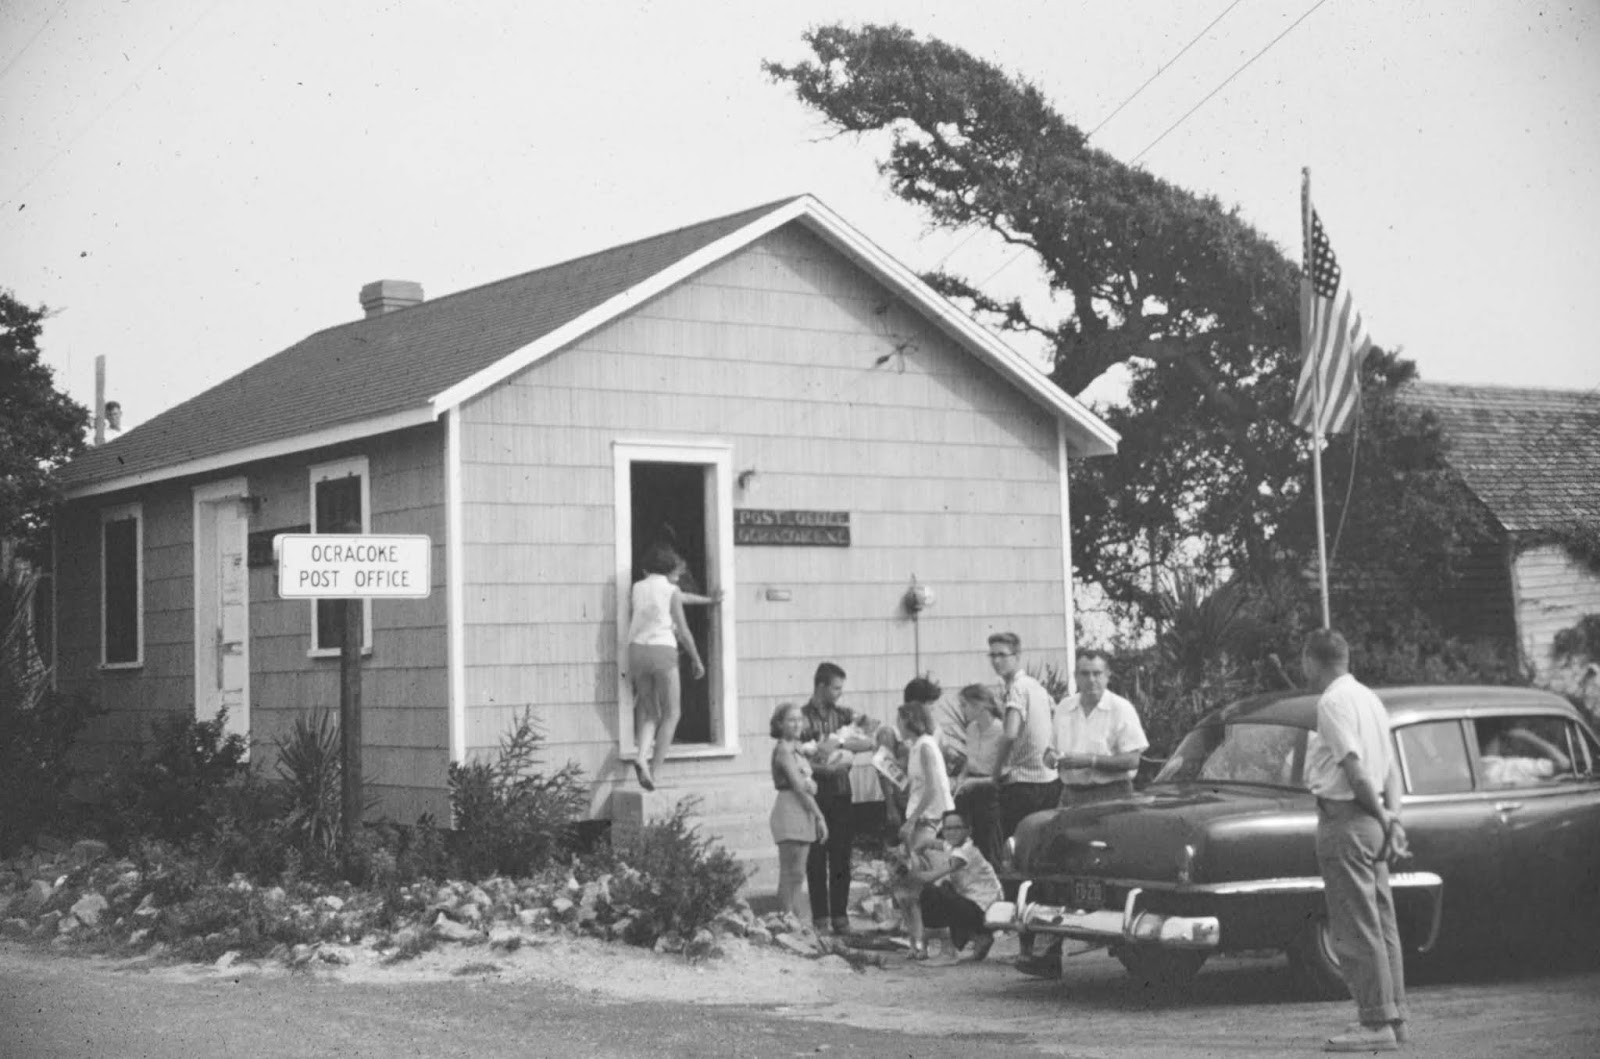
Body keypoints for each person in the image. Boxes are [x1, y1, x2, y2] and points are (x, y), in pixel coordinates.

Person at [1302, 629, 1411, 1053]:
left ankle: (1375, 1022)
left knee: (1355, 924)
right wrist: (1392, 820)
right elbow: (1391, 771)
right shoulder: (1370, 699)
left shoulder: (1332, 702)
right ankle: (1394, 1015)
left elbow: (1355, 768)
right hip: (1373, 820)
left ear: (1310, 660)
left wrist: (1384, 817)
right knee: (1382, 923)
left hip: (1347, 820)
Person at [1017, 649, 1149, 979]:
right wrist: (1050, 758)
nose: (1090, 680)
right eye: (1085, 673)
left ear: (1107, 676)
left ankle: (1130, 943)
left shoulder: (1120, 709)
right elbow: (1052, 749)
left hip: (1111, 796)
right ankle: (1047, 953)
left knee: (1111, 869)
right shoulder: (1064, 707)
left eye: (1097, 674)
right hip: (1071, 795)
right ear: (1076, 676)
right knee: (1053, 863)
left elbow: (1133, 760)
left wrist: (1089, 760)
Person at [626, 542, 717, 791]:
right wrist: (697, 659)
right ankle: (654, 773)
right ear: (669, 571)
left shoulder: (638, 586)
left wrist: (707, 600)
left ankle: (641, 758)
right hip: (662, 651)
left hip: (636, 651)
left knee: (650, 711)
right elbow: (684, 631)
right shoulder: (671, 590)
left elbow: (680, 597)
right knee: (672, 713)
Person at [799, 662, 877, 935]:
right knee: (816, 856)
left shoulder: (845, 715)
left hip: (843, 793)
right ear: (821, 686)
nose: (840, 693)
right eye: (835, 688)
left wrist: (841, 743)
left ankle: (840, 917)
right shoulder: (801, 717)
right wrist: (823, 760)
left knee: (841, 855)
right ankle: (820, 918)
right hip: (816, 794)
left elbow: (870, 738)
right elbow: (799, 756)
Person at [897, 810, 1004, 961]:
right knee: (944, 889)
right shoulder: (956, 845)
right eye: (948, 828)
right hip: (974, 905)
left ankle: (952, 945)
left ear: (968, 830)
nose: (952, 833)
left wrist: (905, 873)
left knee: (930, 894)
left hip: (985, 910)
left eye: (957, 828)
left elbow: (929, 877)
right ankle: (977, 937)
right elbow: (934, 843)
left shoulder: (965, 852)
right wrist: (919, 848)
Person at [986, 633, 1060, 840]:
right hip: (1048, 781)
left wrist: (996, 773)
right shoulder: (1036, 686)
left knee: (1014, 845)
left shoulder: (1017, 689)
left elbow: (1009, 734)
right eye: (992, 656)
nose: (996, 661)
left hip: (1025, 785)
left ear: (1017, 655)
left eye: (1002, 655)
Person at [769, 702, 829, 934]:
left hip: (802, 810)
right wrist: (820, 816)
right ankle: (785, 920)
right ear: (779, 724)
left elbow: (807, 783)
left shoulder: (798, 749)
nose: (796, 724)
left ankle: (794, 917)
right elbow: (798, 786)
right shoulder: (783, 749)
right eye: (790, 720)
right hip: (790, 809)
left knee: (799, 872)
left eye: (799, 719)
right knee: (789, 870)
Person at [952, 683, 1005, 869]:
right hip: (969, 787)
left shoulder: (1001, 731)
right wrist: (961, 776)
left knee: (987, 842)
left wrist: (973, 782)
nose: (962, 710)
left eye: (964, 705)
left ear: (980, 705)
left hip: (989, 788)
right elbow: (970, 758)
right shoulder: (971, 729)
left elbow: (1003, 769)